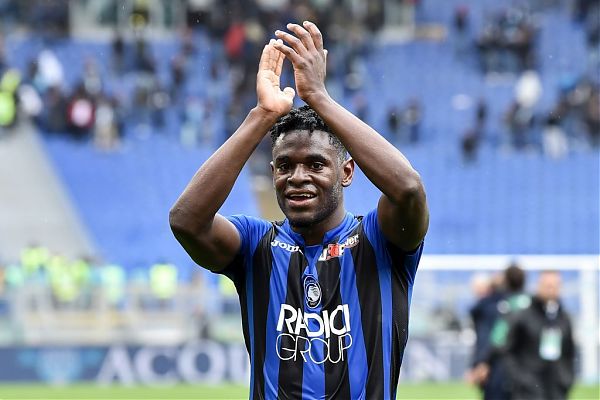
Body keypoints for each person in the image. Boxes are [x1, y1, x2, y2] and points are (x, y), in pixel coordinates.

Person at [170, 21, 429, 399]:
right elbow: (186, 221)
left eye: (316, 164)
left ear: (346, 172)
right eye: (285, 166)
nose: (297, 177)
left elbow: (408, 190)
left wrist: (319, 98)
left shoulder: (379, 240)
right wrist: (262, 115)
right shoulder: (256, 244)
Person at [504, 271, 575, 400]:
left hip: (556, 390)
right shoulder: (523, 316)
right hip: (528, 391)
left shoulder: (564, 318)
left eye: (555, 286)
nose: (551, 290)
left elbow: (569, 352)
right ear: (539, 286)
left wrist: (566, 379)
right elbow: (508, 350)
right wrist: (521, 379)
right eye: (547, 286)